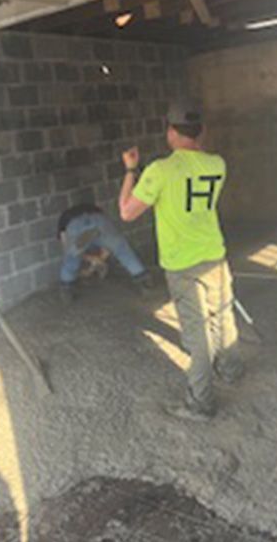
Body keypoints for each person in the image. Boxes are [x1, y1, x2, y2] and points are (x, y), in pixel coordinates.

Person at [118, 98, 249, 421]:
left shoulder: (160, 170)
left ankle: (201, 403)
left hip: (182, 262)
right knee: (223, 316)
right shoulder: (217, 163)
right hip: (214, 254)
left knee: (197, 332)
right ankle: (230, 369)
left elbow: (126, 212)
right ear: (201, 131)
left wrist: (131, 171)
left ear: (171, 132)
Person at [57, 202, 151, 302]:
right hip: (100, 220)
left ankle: (67, 289)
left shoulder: (63, 221)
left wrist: (93, 260)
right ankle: (144, 280)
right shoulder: (93, 209)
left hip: (76, 225)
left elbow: (67, 248)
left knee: (71, 258)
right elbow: (108, 247)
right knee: (121, 249)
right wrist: (98, 260)